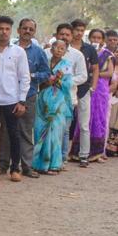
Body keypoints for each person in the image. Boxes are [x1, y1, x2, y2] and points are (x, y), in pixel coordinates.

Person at [0, 18, 50, 178]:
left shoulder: (38, 51)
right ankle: (3, 165)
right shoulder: (8, 49)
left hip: (29, 96)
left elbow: (46, 73)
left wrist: (31, 75)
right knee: (6, 131)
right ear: (18, 30)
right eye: (24, 28)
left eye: (30, 29)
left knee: (26, 131)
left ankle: (26, 167)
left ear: (34, 32)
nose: (27, 31)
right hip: (8, 97)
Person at [0, 16, 30, 182]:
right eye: (1, 28)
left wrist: (21, 100)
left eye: (7, 29)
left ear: (11, 31)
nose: (4, 32)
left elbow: (25, 77)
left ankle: (15, 169)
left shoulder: (18, 52)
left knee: (13, 135)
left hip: (11, 100)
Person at [70, 29, 115, 162]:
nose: (96, 40)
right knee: (84, 120)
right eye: (93, 37)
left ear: (103, 40)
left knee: (98, 118)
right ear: (89, 38)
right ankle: (78, 151)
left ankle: (97, 152)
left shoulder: (107, 54)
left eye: (99, 38)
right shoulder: (86, 51)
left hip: (100, 89)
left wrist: (95, 73)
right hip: (85, 86)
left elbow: (110, 73)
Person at [32, 40, 74, 174]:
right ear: (51, 49)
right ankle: (39, 163)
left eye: (63, 48)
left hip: (58, 101)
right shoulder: (45, 62)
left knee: (55, 132)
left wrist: (58, 80)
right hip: (43, 99)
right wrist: (45, 80)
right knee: (39, 129)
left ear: (65, 51)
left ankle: (54, 164)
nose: (59, 50)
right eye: (57, 47)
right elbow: (38, 77)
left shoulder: (66, 65)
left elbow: (68, 84)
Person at [50, 23, 88, 165]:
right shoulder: (48, 53)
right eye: (61, 34)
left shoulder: (77, 55)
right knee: (49, 128)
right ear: (56, 35)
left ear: (71, 37)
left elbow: (83, 76)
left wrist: (65, 81)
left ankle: (62, 158)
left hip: (67, 98)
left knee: (65, 130)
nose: (64, 37)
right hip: (49, 98)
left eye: (67, 34)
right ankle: (49, 157)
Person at [68, 19, 100, 166]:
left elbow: (95, 68)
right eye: (77, 30)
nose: (79, 33)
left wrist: (92, 87)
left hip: (84, 89)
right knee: (65, 123)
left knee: (84, 124)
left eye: (82, 30)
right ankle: (62, 155)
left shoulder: (89, 49)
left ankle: (84, 156)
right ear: (72, 30)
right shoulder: (64, 48)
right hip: (66, 90)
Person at [105, 30, 118, 156]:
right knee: (112, 122)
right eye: (111, 39)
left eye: (115, 40)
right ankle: (109, 148)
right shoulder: (108, 58)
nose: (113, 42)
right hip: (111, 96)